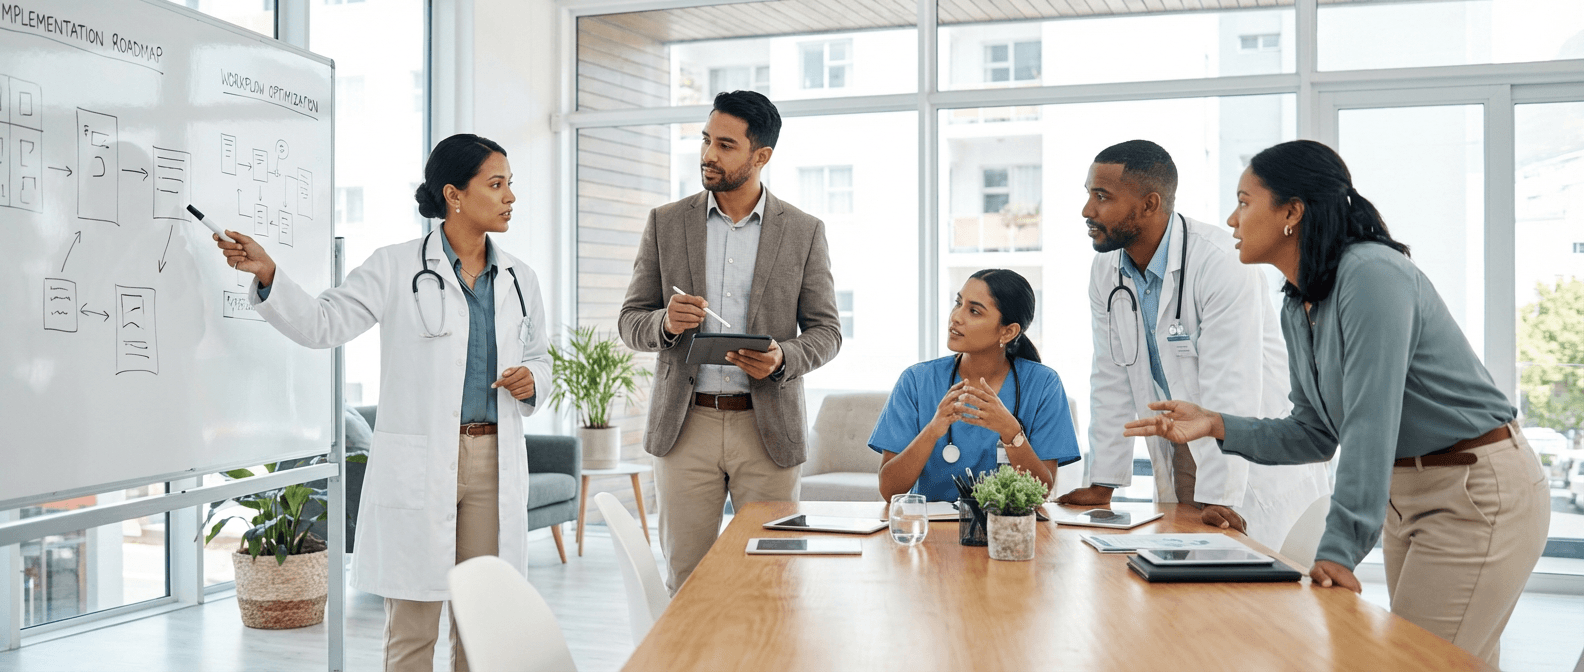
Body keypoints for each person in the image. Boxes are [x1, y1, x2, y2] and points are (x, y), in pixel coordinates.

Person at [1123, 139, 1549, 667]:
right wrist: (1214, 423)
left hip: (1474, 493)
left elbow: (1371, 424)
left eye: (1245, 200)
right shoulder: (1299, 302)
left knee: (1411, 662)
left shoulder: (1371, 274)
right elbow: (1314, 433)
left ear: (1292, 213)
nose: (1232, 219)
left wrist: (1339, 550)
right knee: (1451, 658)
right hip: (1408, 497)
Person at [213, 134, 552, 672]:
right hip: (421, 463)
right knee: (413, 628)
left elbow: (541, 356)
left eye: (510, 184)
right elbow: (324, 323)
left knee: (483, 623)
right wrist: (270, 276)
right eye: (497, 184)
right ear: (454, 194)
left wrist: (531, 379)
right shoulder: (395, 267)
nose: (511, 196)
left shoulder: (518, 278)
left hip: (493, 460)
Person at [618, 90, 842, 594]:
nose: (707, 155)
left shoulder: (804, 232)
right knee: (687, 580)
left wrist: (785, 356)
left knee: (773, 579)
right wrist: (666, 325)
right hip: (685, 425)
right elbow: (631, 321)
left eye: (725, 145)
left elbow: (827, 331)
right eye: (704, 140)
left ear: (761, 156)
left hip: (767, 430)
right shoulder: (666, 223)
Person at [1055, 140, 1329, 548]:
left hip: (1247, 452)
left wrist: (1221, 497)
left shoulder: (1220, 262)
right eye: (1089, 194)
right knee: (1181, 589)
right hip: (1179, 445)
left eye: (1102, 197)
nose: (1087, 211)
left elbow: (1232, 387)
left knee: (1248, 595)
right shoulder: (1106, 270)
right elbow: (1111, 377)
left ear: (1149, 204)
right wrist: (1103, 482)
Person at [871, 269, 1080, 501]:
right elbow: (890, 490)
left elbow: (1040, 492)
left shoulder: (1043, 385)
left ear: (1008, 331)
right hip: (932, 530)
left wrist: (1011, 432)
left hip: (1007, 529)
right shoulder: (916, 381)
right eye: (958, 303)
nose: (956, 317)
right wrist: (933, 431)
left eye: (974, 311)